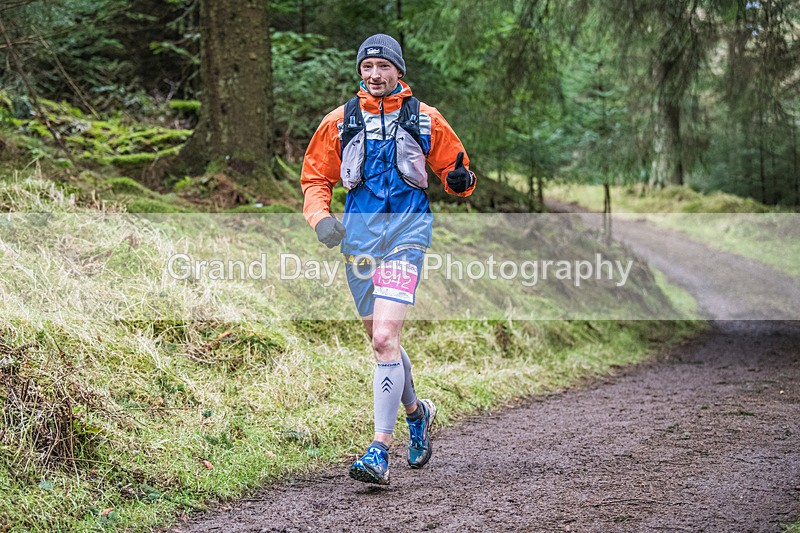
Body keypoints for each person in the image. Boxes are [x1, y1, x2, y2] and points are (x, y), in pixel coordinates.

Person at [300, 33, 476, 485]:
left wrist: (459, 179)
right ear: (360, 72)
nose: (374, 75)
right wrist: (321, 219)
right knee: (384, 343)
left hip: (406, 235)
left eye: (383, 67)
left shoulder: (426, 119)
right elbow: (315, 179)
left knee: (383, 337)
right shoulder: (340, 121)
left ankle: (379, 450)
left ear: (399, 71)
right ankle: (418, 414)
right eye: (367, 67)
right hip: (358, 242)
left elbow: (459, 173)